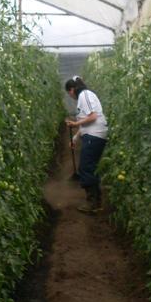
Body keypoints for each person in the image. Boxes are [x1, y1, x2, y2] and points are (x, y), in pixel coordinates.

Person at [64, 76, 109, 213]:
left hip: (95, 135)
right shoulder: (83, 98)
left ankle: (93, 203)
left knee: (86, 167)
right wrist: (75, 138)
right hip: (92, 134)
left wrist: (74, 123)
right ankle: (97, 201)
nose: (70, 96)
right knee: (89, 167)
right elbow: (86, 122)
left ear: (72, 90)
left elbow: (93, 116)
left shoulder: (85, 95)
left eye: (68, 93)